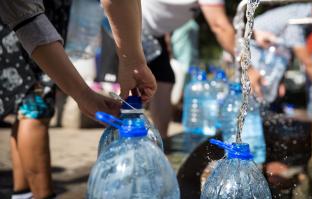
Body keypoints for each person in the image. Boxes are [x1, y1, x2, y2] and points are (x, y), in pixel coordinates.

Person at [0, 0, 156, 198]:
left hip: (28, 25)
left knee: (24, 109)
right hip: (26, 27)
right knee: (36, 108)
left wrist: (133, 62)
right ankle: (42, 194)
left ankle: (22, 193)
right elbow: (26, 17)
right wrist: (133, 62)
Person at [98, 0, 235, 137]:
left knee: (164, 80)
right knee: (123, 89)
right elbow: (219, 26)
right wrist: (247, 66)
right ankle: (118, 145)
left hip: (154, 34)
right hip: (125, 26)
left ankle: (160, 142)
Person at [248, 3, 312, 100]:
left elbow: (289, 51)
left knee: (262, 93)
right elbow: (305, 59)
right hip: (256, 48)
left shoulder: (300, 12)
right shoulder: (300, 18)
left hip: (266, 50)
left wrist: (281, 80)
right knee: (256, 90)